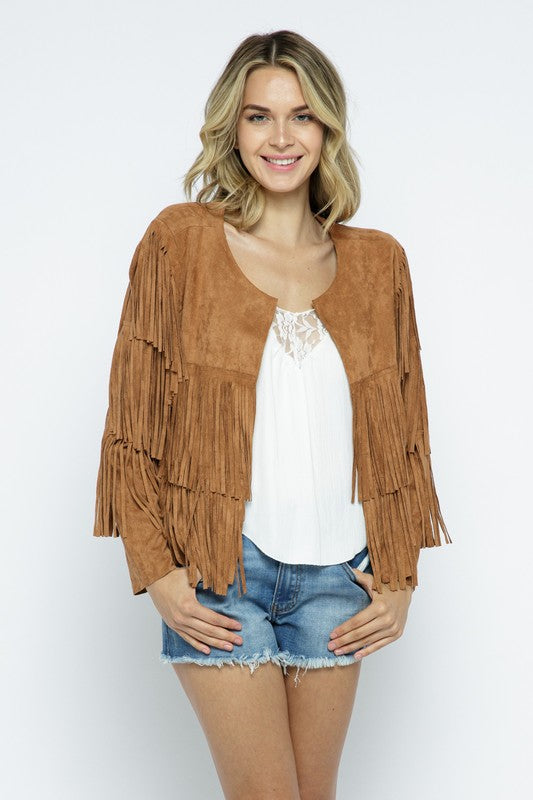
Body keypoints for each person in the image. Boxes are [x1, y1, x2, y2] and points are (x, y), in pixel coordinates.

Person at [92, 29, 451, 799]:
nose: (280, 137)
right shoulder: (179, 243)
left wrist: (399, 578)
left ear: (327, 128)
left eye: (301, 116)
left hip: (337, 581)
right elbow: (131, 425)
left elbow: (402, 432)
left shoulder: (378, 262)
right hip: (222, 575)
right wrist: (158, 573)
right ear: (233, 127)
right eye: (259, 116)